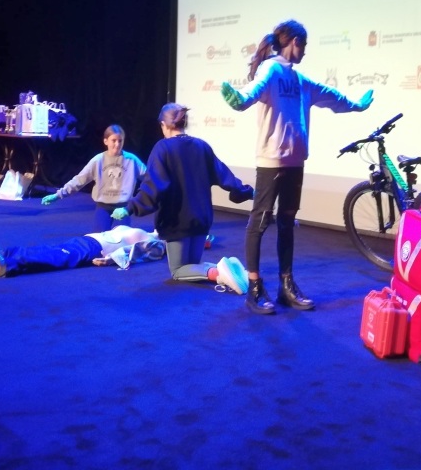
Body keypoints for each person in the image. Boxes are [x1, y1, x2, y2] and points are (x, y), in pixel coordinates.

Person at [221, 19, 374, 315]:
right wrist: (238, 100)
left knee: (287, 222)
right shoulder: (271, 69)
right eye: (304, 45)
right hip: (272, 160)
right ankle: (254, 288)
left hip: (295, 161)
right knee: (260, 221)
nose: (305, 51)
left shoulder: (300, 79)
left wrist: (355, 105)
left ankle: (286, 285)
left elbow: (330, 96)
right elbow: (253, 91)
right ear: (294, 42)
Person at [111, 103, 254, 294]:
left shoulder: (163, 148)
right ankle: (232, 271)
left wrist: (129, 208)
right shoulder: (202, 146)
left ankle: (218, 272)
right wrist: (248, 192)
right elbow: (224, 175)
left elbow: (152, 187)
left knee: (178, 271)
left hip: (177, 222)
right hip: (201, 219)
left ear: (164, 125)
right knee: (193, 267)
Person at [40, 124, 147, 231]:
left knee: (122, 238)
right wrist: (58, 195)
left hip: (123, 208)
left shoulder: (131, 160)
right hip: (103, 207)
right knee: (98, 237)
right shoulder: (98, 160)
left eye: (120, 141)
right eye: (113, 140)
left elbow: (149, 177)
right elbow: (79, 180)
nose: (117, 144)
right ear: (106, 141)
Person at [0, 225, 166, 278]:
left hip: (95, 249)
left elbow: (135, 253)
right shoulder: (146, 231)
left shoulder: (156, 244)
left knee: (51, 256)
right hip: (87, 240)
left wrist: (112, 259)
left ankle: (8, 266)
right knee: (44, 249)